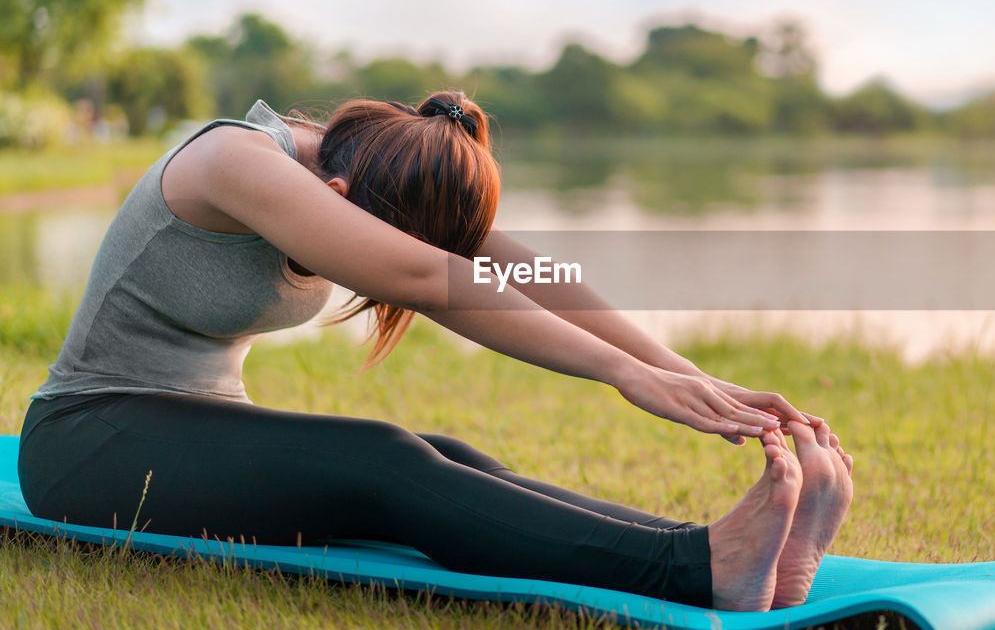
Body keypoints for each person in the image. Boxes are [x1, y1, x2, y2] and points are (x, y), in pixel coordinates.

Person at [16, 93, 854, 611]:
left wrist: (683, 373)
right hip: (90, 442)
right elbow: (427, 273)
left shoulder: (383, 169)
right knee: (383, 462)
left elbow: (532, 269)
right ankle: (696, 569)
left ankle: (727, 552)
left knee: (440, 455)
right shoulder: (236, 162)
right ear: (336, 202)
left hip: (187, 429)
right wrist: (619, 375)